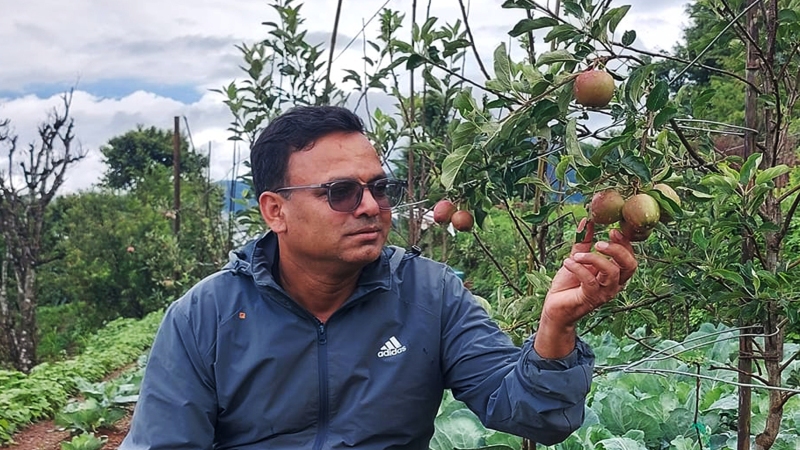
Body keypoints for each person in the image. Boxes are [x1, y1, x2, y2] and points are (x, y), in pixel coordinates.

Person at [120, 105, 637, 450]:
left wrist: (555, 330)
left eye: (378, 187)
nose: (370, 207)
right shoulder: (204, 317)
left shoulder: (429, 296)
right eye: (341, 191)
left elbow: (532, 415)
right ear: (275, 211)